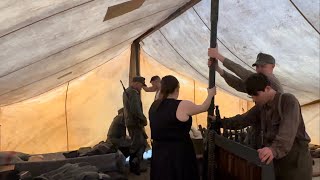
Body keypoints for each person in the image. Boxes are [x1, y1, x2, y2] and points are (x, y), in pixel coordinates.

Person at [218, 73, 312, 180]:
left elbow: (287, 132)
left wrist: (273, 149)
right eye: (251, 96)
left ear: (267, 88)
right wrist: (220, 122)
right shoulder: (261, 106)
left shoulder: (288, 101)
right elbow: (243, 120)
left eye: (255, 95)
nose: (253, 99)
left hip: (295, 164)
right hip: (276, 161)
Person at [149, 75, 216, 180]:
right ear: (177, 88)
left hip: (159, 153)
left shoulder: (154, 106)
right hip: (179, 153)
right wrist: (210, 95)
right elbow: (204, 107)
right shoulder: (182, 105)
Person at [208, 47, 283, 93]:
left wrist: (217, 56)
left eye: (263, 66)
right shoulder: (258, 83)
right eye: (257, 67)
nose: (259, 70)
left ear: (273, 66)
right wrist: (219, 69)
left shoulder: (272, 82)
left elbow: (243, 73)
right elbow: (239, 85)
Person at [123, 76, 148, 175]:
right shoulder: (133, 93)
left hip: (130, 122)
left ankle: (134, 166)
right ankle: (134, 167)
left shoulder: (127, 91)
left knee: (136, 144)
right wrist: (143, 119)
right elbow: (135, 109)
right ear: (137, 83)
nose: (141, 88)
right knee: (138, 145)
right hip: (135, 122)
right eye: (141, 85)